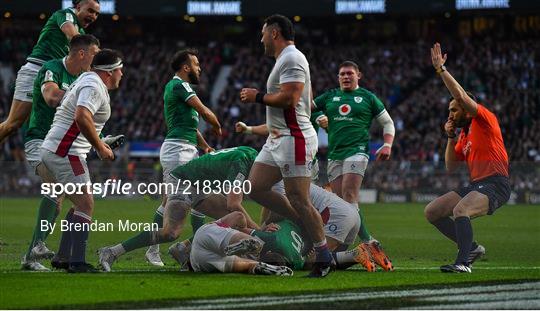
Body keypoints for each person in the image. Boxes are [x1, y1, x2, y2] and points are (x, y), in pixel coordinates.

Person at [239, 14, 333, 277]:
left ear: (274, 33)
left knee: (300, 199)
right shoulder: (285, 60)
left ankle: (323, 255)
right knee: (254, 187)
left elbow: (291, 98)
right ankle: (302, 222)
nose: (261, 39)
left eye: (263, 33)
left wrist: (256, 96)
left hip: (295, 137)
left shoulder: (292, 57)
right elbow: (307, 99)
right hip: (278, 138)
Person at [98, 146, 259, 272]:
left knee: (237, 218)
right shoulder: (243, 162)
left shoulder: (250, 154)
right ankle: (112, 252)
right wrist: (259, 231)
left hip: (200, 185)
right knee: (170, 232)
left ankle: (183, 248)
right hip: (183, 182)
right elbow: (233, 203)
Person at [425, 43, 511, 273]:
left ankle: (463, 262)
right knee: (432, 211)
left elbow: (460, 95)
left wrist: (441, 69)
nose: (450, 114)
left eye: (454, 110)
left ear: (465, 108)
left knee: (460, 210)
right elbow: (451, 167)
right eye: (449, 111)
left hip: (496, 183)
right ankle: (471, 248)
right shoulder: (463, 135)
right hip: (477, 184)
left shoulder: (485, 119)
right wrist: (451, 138)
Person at [20, 34, 101, 271]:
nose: (96, 61)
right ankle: (39, 249)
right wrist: (79, 100)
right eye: (95, 55)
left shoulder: (84, 78)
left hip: (63, 148)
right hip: (40, 140)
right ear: (82, 53)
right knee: (56, 193)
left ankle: (43, 255)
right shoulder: (53, 68)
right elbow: (51, 96)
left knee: (74, 202)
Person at [39, 49, 124, 273]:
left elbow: (78, 122)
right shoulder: (94, 85)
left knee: (79, 204)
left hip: (61, 148)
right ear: (109, 72)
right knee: (86, 203)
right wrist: (99, 147)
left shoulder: (86, 80)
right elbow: (81, 116)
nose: (121, 74)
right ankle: (76, 262)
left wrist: (101, 142)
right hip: (66, 151)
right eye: (119, 69)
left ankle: (64, 256)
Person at [312, 60, 395, 271]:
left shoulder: (367, 97)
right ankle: (348, 252)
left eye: (350, 73)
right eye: (342, 74)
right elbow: (305, 108)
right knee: (342, 204)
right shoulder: (330, 96)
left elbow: (388, 123)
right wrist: (319, 115)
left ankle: (369, 241)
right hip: (334, 155)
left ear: (359, 75)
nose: (346, 77)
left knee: (349, 195)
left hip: (357, 151)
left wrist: (387, 144)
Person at [144, 49, 221, 267]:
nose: (200, 68)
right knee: (176, 201)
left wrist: (205, 146)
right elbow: (204, 111)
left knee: (197, 196)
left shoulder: (175, 89)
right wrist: (216, 124)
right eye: (196, 64)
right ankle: (154, 249)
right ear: (186, 67)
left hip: (186, 149)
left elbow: (189, 127)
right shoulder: (180, 85)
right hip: (178, 151)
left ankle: (194, 249)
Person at [0, 0, 100, 143]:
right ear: (78, 7)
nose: (94, 16)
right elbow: (72, 35)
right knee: (13, 124)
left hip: (55, 76)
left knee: (60, 120)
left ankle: (99, 138)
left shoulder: (82, 32)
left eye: (96, 13)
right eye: (90, 11)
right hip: (37, 70)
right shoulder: (65, 15)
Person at [189, 212, 293, 276]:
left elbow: (238, 216)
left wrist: (255, 230)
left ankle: (253, 246)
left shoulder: (212, 227)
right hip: (204, 263)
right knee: (245, 265)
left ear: (269, 251)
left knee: (252, 242)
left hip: (203, 241)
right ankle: (261, 266)